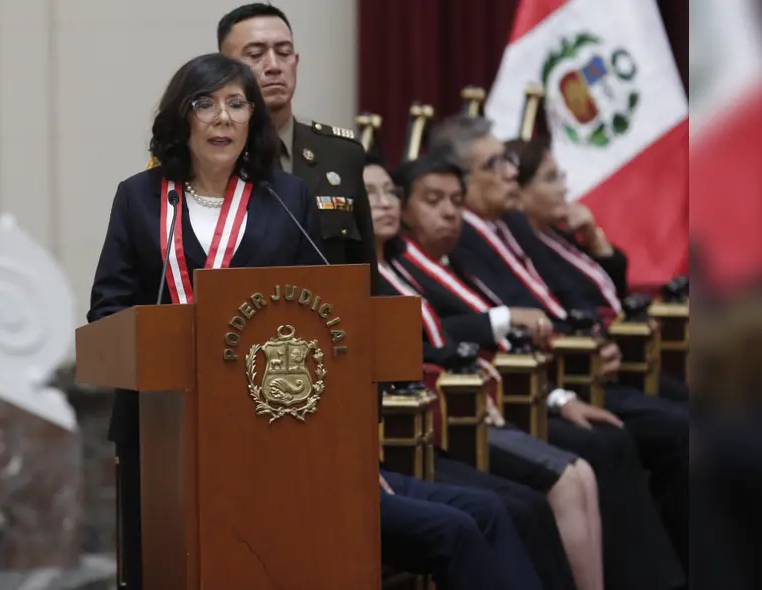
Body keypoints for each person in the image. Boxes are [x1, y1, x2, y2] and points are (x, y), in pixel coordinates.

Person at [88, 53, 538, 590]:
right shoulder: (139, 197)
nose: (223, 117)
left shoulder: (285, 196)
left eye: (237, 104)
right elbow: (107, 310)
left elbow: (319, 309)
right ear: (181, 117)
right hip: (164, 429)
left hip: (272, 426)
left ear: (254, 118)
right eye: (205, 104)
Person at [387, 152, 687, 590]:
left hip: (517, 388)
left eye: (455, 199)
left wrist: (557, 390)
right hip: (455, 411)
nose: (450, 211)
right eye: (434, 200)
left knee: (614, 447)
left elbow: (551, 306)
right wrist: (549, 383)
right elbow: (444, 344)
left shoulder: (461, 251)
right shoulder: (397, 263)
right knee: (561, 479)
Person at [367, 155, 586, 590]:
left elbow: (440, 341)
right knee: (511, 508)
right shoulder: (354, 274)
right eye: (369, 194)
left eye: (388, 191)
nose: (384, 203)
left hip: (451, 413)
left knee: (539, 492)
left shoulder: (403, 264)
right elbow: (416, 353)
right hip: (413, 427)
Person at [503, 136, 689, 404]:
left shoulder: (555, 233)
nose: (564, 187)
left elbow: (613, 290)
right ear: (519, 192)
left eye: (561, 176)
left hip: (619, 355)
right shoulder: (522, 245)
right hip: (584, 368)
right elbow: (574, 304)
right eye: (551, 179)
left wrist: (594, 238)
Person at [217, 3, 378, 290]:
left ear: (296, 61)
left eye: (284, 52)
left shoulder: (340, 154)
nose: (274, 65)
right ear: (223, 69)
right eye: (255, 55)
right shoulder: (210, 156)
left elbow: (365, 273)